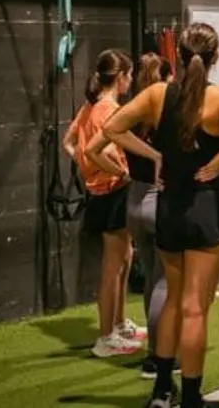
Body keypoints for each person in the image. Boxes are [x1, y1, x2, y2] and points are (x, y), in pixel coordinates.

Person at [99, 23, 219, 408]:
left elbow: (111, 127)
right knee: (194, 306)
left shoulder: (156, 94)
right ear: (215, 57)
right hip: (207, 207)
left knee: (172, 299)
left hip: (170, 206)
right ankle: (190, 398)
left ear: (179, 56)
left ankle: (160, 394)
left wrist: (155, 156)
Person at [87, 52, 175, 378]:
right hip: (158, 200)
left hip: (134, 202)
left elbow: (92, 148)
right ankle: (159, 356)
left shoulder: (129, 111)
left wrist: (124, 174)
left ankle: (152, 351)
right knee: (164, 283)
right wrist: (154, 155)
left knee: (151, 279)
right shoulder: (168, 111)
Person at [64, 48, 145, 358]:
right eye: (130, 75)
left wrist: (89, 171)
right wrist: (120, 173)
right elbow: (101, 152)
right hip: (112, 192)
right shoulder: (109, 109)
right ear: (122, 76)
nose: (131, 80)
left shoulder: (90, 106)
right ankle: (105, 337)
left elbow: (70, 143)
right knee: (113, 266)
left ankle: (119, 324)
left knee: (124, 258)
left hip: (102, 191)